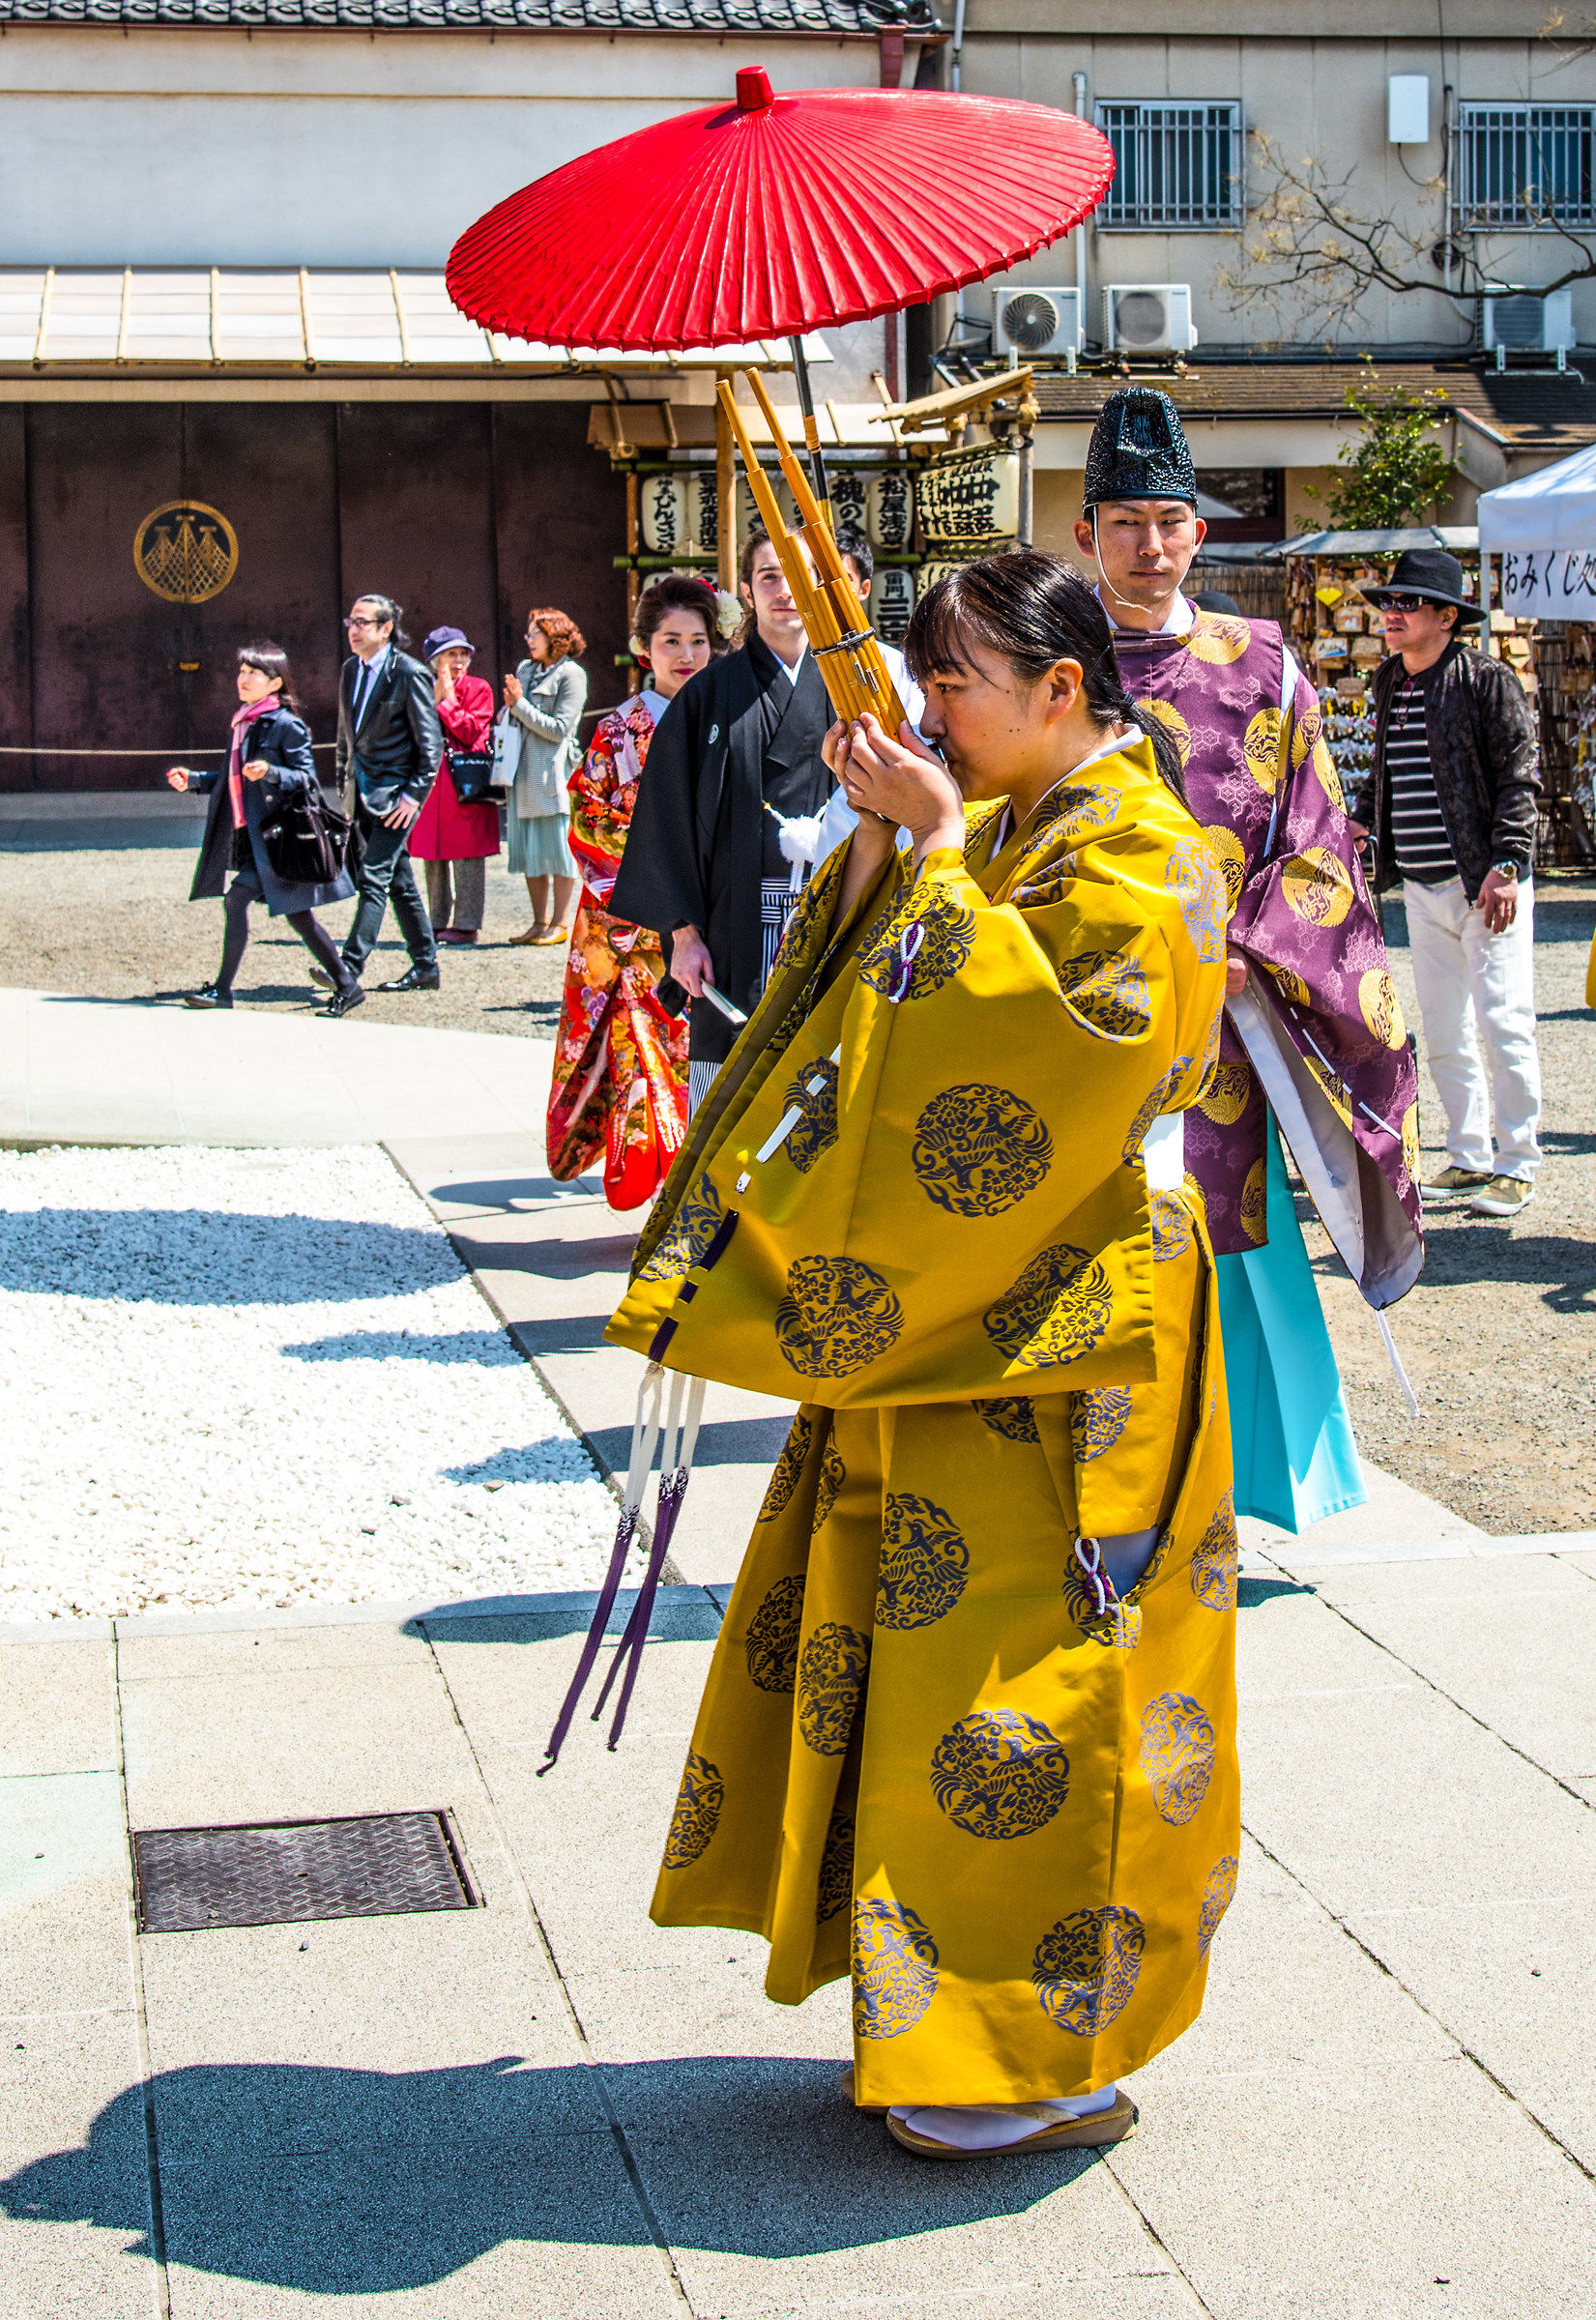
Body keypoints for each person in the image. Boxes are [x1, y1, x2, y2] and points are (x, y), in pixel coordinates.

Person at [605, 553, 1236, 2159]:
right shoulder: (1024, 823)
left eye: (958, 682)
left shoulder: (1143, 853)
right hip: (974, 1308)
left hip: (1080, 1329)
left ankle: (1030, 2051)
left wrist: (939, 852)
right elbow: (867, 996)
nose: (932, 708)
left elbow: (1055, 1053)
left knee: (1041, 1685)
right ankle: (940, 2023)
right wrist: (901, 843)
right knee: (933, 1667)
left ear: (1062, 693)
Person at [1073, 386, 1421, 1535]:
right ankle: (1096, 1500)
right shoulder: (1040, 658)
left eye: (1167, 522)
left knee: (1223, 1232)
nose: (1149, 545)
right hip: (1075, 1014)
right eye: (1124, 522)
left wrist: (1248, 953)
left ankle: (1235, 1486)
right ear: (1084, 535)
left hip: (1228, 1016)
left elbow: (1320, 842)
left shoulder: (1261, 667)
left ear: (1198, 534)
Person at [611, 528, 836, 1114]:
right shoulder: (707, 695)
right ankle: (714, 1204)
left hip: (836, 909)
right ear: (747, 590)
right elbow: (667, 817)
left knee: (818, 1081)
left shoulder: (853, 684)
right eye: (769, 576)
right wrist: (682, 932)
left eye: (799, 575)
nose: (786, 590)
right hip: (732, 919)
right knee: (725, 1098)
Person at [1352, 550, 1542, 1219]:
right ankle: (1468, 1157)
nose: (1390, 615)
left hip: (1483, 884)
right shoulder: (1388, 683)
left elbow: (1521, 774)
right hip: (1424, 887)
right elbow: (1383, 774)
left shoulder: (1485, 680)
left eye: (1405, 604)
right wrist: (1358, 823)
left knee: (1502, 1022)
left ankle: (1516, 1164)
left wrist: (1507, 863)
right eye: (1386, 604)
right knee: (1442, 1028)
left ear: (1443, 616)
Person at [547, 575, 726, 1203]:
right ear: (643, 649)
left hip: (715, 918)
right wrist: (661, 891)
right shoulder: (619, 731)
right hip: (633, 925)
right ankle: (649, 1175)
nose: (685, 654)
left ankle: (683, 1177)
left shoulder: (728, 718)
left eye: (698, 641)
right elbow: (591, 823)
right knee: (641, 1048)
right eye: (670, 640)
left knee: (694, 1052)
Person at [168, 643, 358, 1012]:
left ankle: (222, 991)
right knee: (300, 918)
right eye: (242, 672)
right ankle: (347, 984)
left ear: (275, 684)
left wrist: (271, 772)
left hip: (280, 837)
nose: (244, 679)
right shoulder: (244, 723)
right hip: (258, 839)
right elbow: (230, 780)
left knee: (236, 899)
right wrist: (192, 780)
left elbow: (306, 780)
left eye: (253, 673)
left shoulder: (287, 726)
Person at [331, 594, 444, 1005]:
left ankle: (347, 969)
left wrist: (413, 797)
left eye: (363, 623)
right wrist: (343, 784)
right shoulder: (349, 670)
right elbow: (347, 735)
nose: (354, 630)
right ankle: (426, 965)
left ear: (385, 628)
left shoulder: (409, 673)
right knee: (400, 882)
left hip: (398, 796)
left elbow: (431, 747)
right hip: (360, 793)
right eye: (351, 622)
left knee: (373, 876)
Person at [409, 624, 500, 948]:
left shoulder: (479, 688)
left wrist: (446, 702)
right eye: (451, 654)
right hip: (430, 783)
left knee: (468, 853)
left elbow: (471, 731)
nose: (459, 660)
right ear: (434, 660)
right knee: (432, 855)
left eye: (464, 653)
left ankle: (467, 923)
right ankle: (434, 920)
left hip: (465, 779)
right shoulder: (418, 686)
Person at [505, 608, 589, 947]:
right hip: (522, 770)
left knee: (558, 849)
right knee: (530, 850)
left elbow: (558, 730)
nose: (528, 640)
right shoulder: (527, 670)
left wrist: (520, 705)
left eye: (534, 633)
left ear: (554, 636)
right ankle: (538, 921)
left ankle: (559, 922)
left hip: (553, 772)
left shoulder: (572, 675)